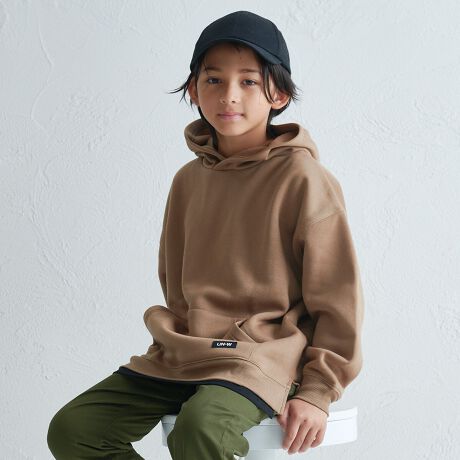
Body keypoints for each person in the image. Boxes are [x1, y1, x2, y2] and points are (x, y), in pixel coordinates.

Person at [47, 10, 364, 459]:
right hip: (188, 349)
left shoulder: (304, 178)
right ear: (194, 90)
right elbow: (177, 285)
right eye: (213, 80)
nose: (229, 95)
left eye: (249, 81)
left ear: (279, 94)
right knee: (75, 429)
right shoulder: (188, 180)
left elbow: (337, 299)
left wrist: (318, 390)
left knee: (199, 429)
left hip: (265, 357)